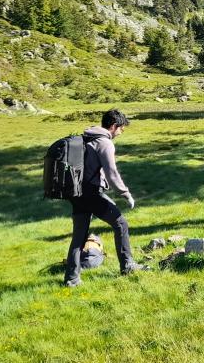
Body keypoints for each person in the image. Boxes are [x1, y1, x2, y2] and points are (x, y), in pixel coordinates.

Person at [64, 109, 137, 287]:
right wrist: (125, 193)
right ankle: (128, 266)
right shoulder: (104, 142)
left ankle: (72, 279)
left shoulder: (87, 136)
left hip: (76, 192)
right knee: (121, 224)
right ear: (114, 126)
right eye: (121, 129)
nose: (121, 133)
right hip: (91, 193)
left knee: (79, 236)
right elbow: (112, 173)